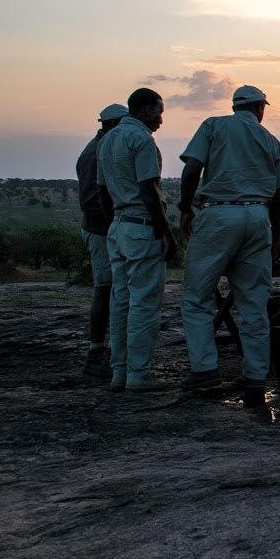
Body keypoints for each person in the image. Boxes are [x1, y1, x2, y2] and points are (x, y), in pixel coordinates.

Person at [177, 85, 280, 395]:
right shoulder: (272, 142)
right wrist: (275, 236)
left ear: (235, 106)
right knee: (253, 300)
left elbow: (192, 171)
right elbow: (279, 196)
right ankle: (255, 375)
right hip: (258, 217)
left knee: (197, 297)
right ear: (259, 108)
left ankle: (204, 370)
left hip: (218, 213)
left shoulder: (213, 125)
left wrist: (186, 209)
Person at [96, 88, 177, 392]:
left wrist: (113, 225)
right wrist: (166, 232)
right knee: (144, 304)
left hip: (118, 227)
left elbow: (102, 191)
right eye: (159, 111)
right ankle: (139, 373)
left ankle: (119, 372)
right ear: (144, 110)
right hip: (141, 227)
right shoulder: (142, 140)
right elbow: (149, 191)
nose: (160, 119)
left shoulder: (107, 141)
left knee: (121, 301)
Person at [75, 102, 128, 377]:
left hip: (107, 229)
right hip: (100, 232)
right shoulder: (95, 155)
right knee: (105, 289)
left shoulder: (103, 148)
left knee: (112, 289)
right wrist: (119, 222)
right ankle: (96, 353)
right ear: (110, 125)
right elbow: (90, 202)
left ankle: (110, 350)